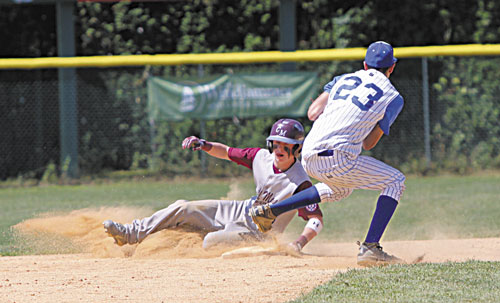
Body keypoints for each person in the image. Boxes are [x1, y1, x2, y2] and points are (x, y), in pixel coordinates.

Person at [249, 41, 406, 266]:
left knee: (341, 189)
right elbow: (370, 143)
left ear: (364, 65)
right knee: (395, 181)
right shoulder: (394, 97)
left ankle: (271, 210)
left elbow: (313, 113)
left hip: (309, 152)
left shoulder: (343, 79)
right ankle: (371, 247)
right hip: (337, 156)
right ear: (392, 68)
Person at [103, 118, 323, 253]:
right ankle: (131, 234)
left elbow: (316, 219)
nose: (279, 149)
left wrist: (299, 243)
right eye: (276, 144)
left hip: (260, 233)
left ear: (297, 149)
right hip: (243, 209)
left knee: (210, 242)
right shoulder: (260, 157)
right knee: (183, 207)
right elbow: (227, 152)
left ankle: (173, 239)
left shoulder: (300, 182)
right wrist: (204, 144)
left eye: (286, 145)